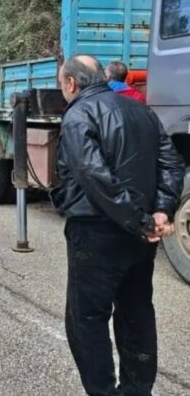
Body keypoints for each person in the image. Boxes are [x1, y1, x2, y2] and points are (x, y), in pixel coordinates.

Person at [50, 55, 184, 396]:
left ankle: (104, 392)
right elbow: (171, 161)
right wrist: (161, 212)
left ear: (71, 84)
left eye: (61, 84)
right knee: (137, 310)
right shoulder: (141, 110)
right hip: (140, 235)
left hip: (98, 231)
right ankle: (137, 390)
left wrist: (140, 220)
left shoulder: (78, 114)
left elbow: (94, 176)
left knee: (87, 319)